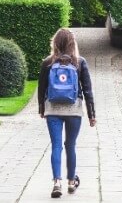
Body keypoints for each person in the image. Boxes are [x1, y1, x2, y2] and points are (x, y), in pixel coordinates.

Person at [38, 28, 96, 198]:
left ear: (55, 42)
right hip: (74, 110)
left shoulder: (48, 62)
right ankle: (71, 181)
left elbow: (41, 89)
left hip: (53, 109)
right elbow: (88, 91)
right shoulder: (79, 62)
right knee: (70, 145)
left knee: (56, 145)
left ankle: (57, 182)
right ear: (73, 43)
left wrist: (42, 109)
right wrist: (92, 114)